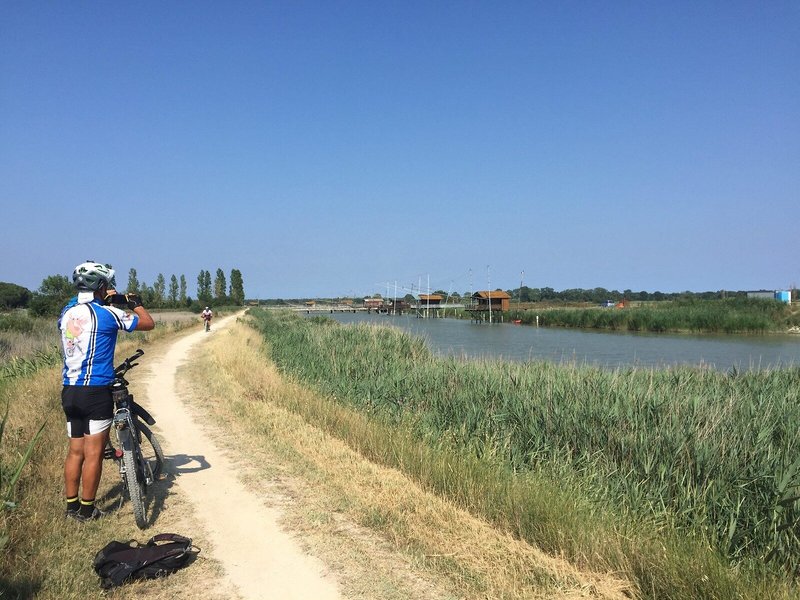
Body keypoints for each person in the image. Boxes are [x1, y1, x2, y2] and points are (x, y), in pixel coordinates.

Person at [58, 261, 155, 522]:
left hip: (70, 391)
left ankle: (71, 508)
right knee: (94, 454)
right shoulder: (108, 314)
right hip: (96, 391)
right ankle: (87, 510)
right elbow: (148, 323)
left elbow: (78, 304)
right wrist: (134, 303)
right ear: (101, 286)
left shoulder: (67, 313)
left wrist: (99, 296)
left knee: (75, 452)